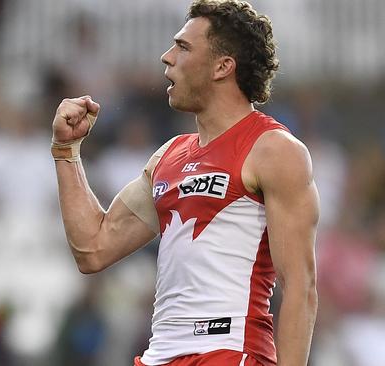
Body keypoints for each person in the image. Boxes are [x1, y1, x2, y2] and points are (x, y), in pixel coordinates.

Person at [50, 1, 319, 365]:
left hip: (228, 351)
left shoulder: (273, 150)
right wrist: (66, 151)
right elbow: (93, 248)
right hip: (160, 355)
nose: (166, 57)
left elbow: (300, 287)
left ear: (223, 66)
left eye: (183, 47)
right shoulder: (168, 157)